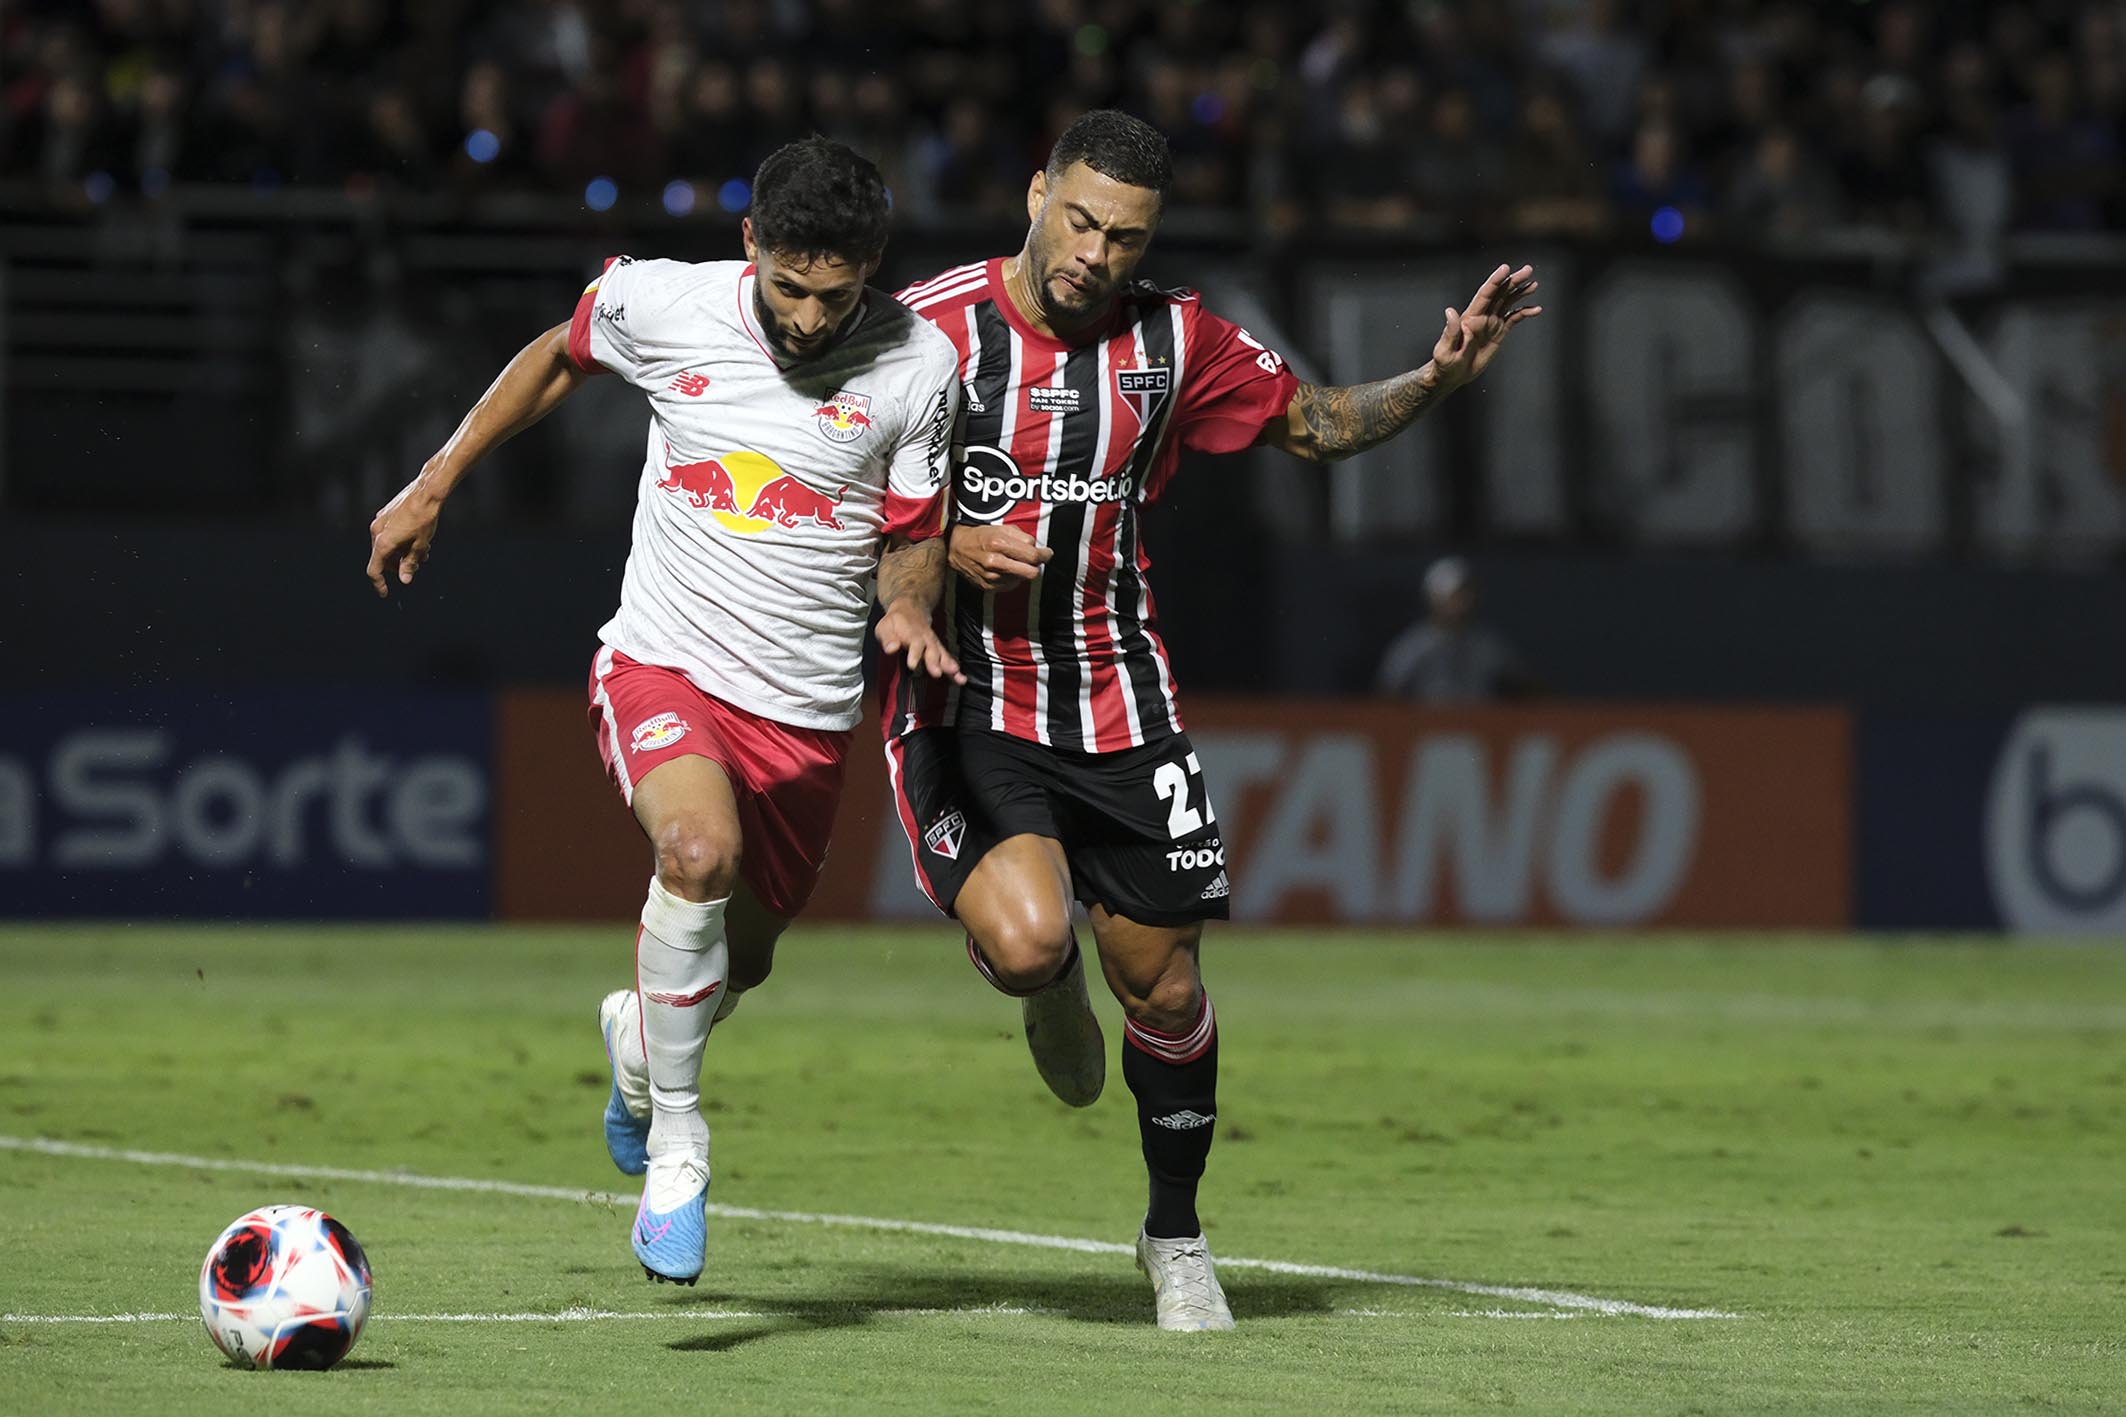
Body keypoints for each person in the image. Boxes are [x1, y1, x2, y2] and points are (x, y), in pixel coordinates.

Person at [877, 111, 1540, 1330]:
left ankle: (1172, 1235)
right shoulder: (927, 329)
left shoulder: (1175, 341)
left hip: (1118, 694)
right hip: (963, 694)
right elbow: (830, 478)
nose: (1094, 252)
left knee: (1167, 990)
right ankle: (1038, 987)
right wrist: (938, 540)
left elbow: (1318, 424)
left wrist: (1436, 379)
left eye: (1124, 235)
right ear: (1034, 194)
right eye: (1077, 218)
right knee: (1032, 944)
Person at [363, 137, 964, 1288]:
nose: (803, 317)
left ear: (873, 271)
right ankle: (679, 1148)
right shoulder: (661, 300)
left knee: (740, 962)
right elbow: (555, 356)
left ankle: (638, 1042)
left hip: (804, 712)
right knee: (696, 854)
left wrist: (904, 608)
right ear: (750, 246)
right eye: (786, 287)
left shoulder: (917, 364)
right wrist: (435, 480)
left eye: (831, 295)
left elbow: (913, 535)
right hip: (663, 665)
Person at [1375, 556, 1539, 703]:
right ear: (1434, 598)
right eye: (1454, 595)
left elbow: (1522, 685)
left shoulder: (1488, 644)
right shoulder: (1413, 646)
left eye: (1466, 593)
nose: (1462, 601)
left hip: (1480, 727)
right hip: (1428, 728)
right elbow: (1389, 692)